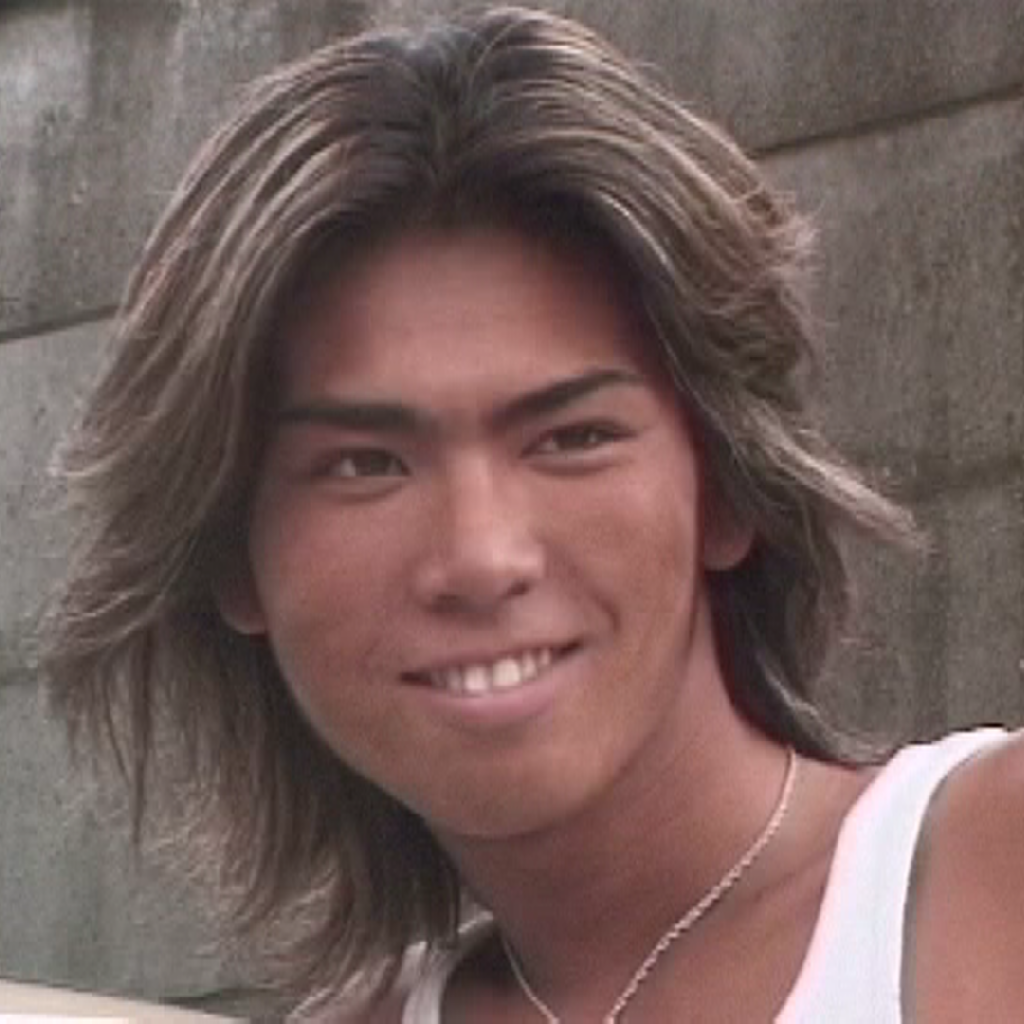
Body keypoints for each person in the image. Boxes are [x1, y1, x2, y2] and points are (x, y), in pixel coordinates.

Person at [41, 6, 1023, 1021]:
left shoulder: (989, 872)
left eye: (572, 437)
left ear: (727, 486)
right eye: (365, 464)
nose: (480, 557)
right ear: (231, 559)